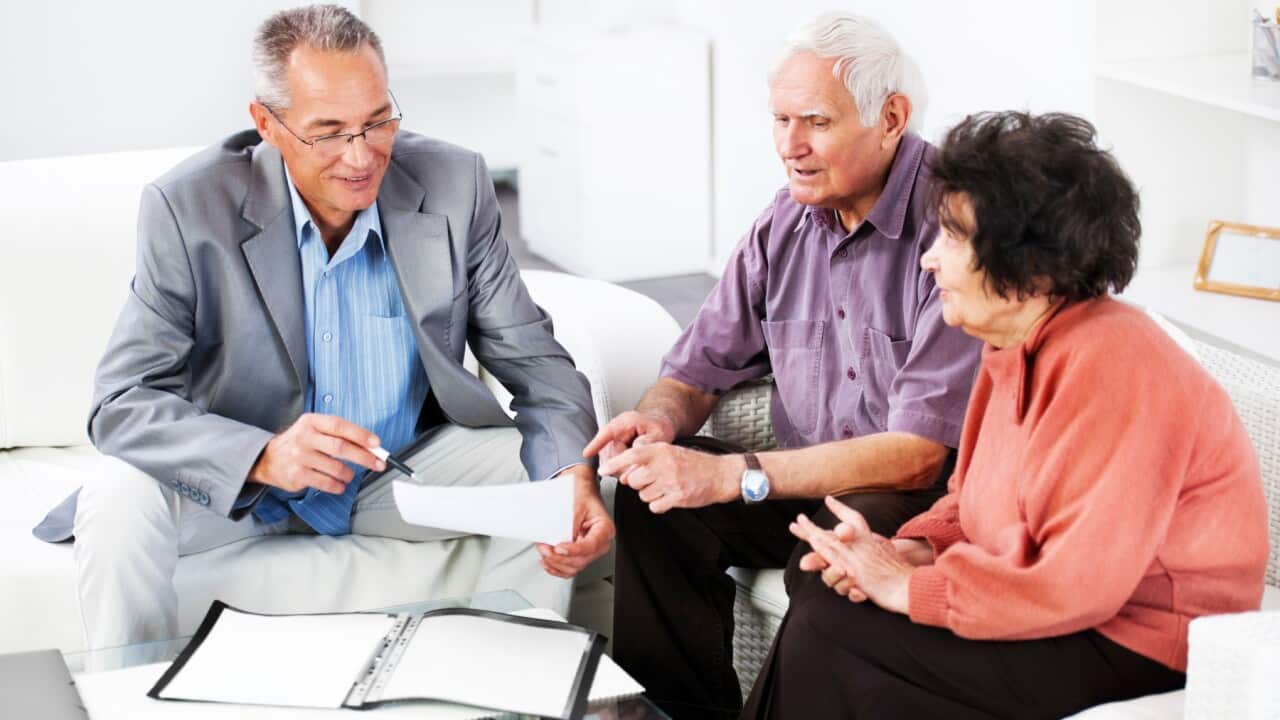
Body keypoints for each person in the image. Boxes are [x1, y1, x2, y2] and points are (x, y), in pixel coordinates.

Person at [33, 4, 613, 649]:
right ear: (267, 125)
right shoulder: (187, 205)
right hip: (242, 485)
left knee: (551, 487)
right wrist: (261, 457)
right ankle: (126, 700)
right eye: (329, 132)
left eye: (377, 121)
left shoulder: (455, 182)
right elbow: (121, 402)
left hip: (397, 471)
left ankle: (510, 688)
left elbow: (533, 360)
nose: (361, 156)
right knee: (118, 497)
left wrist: (570, 478)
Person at [744, 111, 1270, 719]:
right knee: (828, 595)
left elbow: (1079, 584)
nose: (928, 261)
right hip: (1065, 611)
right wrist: (912, 549)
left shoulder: (1116, 363)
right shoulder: (1012, 347)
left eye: (953, 238)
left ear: (1030, 266)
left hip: (1143, 639)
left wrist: (912, 587)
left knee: (834, 629)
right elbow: (971, 505)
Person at [582, 13, 982, 718]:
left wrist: (737, 475)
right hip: (798, 484)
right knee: (658, 503)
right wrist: (655, 422)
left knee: (824, 551)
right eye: (780, 120)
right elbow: (697, 369)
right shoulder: (786, 222)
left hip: (920, 498)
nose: (789, 146)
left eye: (817, 122)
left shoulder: (953, 228)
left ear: (891, 118)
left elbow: (919, 456)